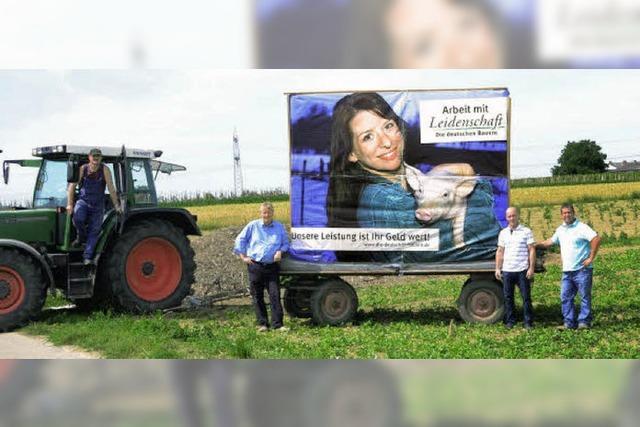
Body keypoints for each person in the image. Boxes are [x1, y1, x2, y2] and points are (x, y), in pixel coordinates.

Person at [325, 91, 500, 262]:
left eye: (388, 126)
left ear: (399, 128)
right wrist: (468, 180)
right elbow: (481, 235)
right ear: (351, 153)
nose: (386, 142)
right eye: (368, 137)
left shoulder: (414, 178)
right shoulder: (382, 199)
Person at [537, 203, 601, 330]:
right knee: (565, 297)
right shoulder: (560, 229)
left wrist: (591, 258)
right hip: (567, 271)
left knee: (584, 296)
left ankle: (584, 322)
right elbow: (550, 242)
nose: (567, 215)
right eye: (564, 213)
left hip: (582, 270)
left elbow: (596, 239)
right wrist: (534, 245)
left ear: (573, 213)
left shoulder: (582, 227)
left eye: (569, 212)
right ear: (561, 215)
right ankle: (569, 322)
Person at [234, 202, 290, 332]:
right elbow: (239, 240)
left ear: (272, 213)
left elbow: (286, 243)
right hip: (255, 266)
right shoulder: (253, 226)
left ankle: (277, 324)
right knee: (257, 296)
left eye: (269, 212)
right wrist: (243, 257)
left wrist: (280, 251)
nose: (266, 215)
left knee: (275, 295)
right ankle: (263, 324)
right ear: (261, 213)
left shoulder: (279, 227)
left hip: (272, 267)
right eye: (264, 212)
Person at [66, 148, 122, 265]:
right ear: (89, 157)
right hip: (83, 202)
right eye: (94, 156)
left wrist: (116, 205)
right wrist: (70, 204)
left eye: (98, 156)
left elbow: (111, 188)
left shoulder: (105, 169)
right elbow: (71, 187)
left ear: (101, 158)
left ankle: (87, 256)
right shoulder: (83, 169)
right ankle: (81, 237)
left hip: (98, 205)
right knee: (78, 218)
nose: (96, 158)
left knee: (95, 230)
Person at [495, 206, 535, 329]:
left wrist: (531, 268)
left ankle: (528, 322)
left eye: (513, 215)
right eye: (509, 216)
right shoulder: (503, 233)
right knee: (508, 297)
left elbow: (531, 250)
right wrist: (498, 268)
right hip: (507, 270)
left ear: (518, 216)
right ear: (506, 218)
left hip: (522, 270)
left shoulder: (526, 231)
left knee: (526, 298)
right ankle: (511, 321)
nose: (511, 218)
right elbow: (500, 251)